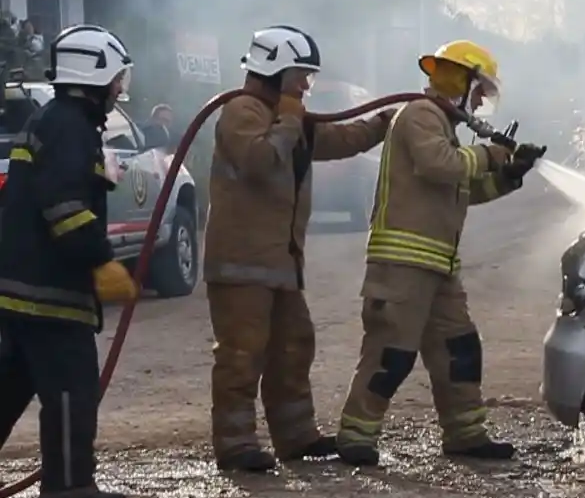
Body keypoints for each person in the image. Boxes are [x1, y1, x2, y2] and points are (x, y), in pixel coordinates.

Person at [334, 39, 543, 467]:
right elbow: (439, 165)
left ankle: (466, 434)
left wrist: (510, 175)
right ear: (460, 80)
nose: (482, 100)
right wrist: (492, 153)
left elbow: (462, 189)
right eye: (479, 89)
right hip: (402, 267)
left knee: (460, 349)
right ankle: (356, 436)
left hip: (439, 269)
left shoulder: (444, 127)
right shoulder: (420, 116)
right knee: (390, 354)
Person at [203, 24, 392, 472]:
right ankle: (235, 445)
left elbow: (340, 140)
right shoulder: (240, 112)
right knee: (242, 355)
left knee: (293, 347)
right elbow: (259, 160)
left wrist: (385, 122)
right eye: (299, 76)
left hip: (281, 265)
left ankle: (296, 437)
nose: (306, 86)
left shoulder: (291, 120)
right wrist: (289, 119)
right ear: (274, 70)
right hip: (241, 265)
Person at [0, 24, 139, 498]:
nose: (120, 89)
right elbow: (64, 208)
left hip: (23, 286)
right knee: (71, 387)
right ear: (97, 75)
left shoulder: (56, 120)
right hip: (49, 290)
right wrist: (100, 260)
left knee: (11, 384)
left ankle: (68, 482)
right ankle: (68, 486)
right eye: (116, 78)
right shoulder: (68, 126)